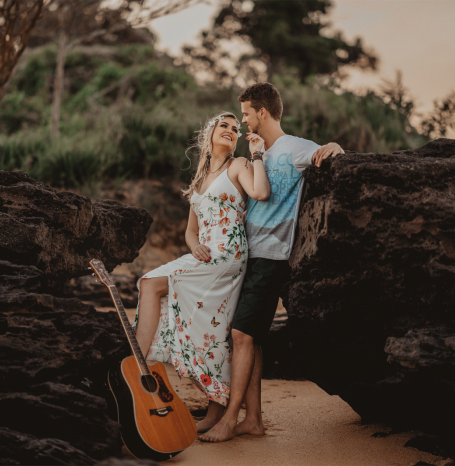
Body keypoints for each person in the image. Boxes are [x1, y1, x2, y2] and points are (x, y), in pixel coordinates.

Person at [199, 83, 344, 442]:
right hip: (250, 254)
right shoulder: (258, 153)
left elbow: (328, 155)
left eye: (246, 114)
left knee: (240, 334)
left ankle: (230, 419)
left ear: (262, 113)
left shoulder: (293, 147)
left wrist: (336, 147)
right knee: (252, 339)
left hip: (271, 257)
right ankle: (254, 419)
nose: (244, 121)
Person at [133, 111, 271, 433]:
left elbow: (261, 193)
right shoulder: (199, 179)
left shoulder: (238, 166)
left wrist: (257, 155)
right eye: (224, 125)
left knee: (150, 284)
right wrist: (194, 245)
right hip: (206, 255)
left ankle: (135, 367)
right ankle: (215, 410)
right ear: (209, 133)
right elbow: (191, 231)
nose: (231, 131)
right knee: (214, 332)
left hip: (228, 255)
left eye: (236, 128)